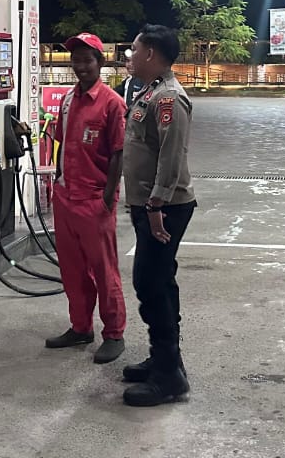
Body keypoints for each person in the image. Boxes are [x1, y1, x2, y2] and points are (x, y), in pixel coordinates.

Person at [119, 24, 196, 407]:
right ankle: (166, 360)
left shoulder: (169, 98)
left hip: (163, 208)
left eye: (134, 49)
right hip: (149, 205)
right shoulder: (149, 91)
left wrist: (155, 206)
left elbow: (171, 158)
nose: (129, 55)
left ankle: (168, 377)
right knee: (159, 281)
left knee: (149, 283)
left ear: (150, 53)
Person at [45, 32, 129, 364]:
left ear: (100, 62)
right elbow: (63, 143)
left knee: (104, 270)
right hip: (65, 197)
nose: (80, 66)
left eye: (87, 60)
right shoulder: (68, 100)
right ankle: (81, 327)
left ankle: (114, 333)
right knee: (72, 269)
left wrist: (107, 198)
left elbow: (119, 153)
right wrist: (58, 181)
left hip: (95, 200)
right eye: (76, 60)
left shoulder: (112, 103)